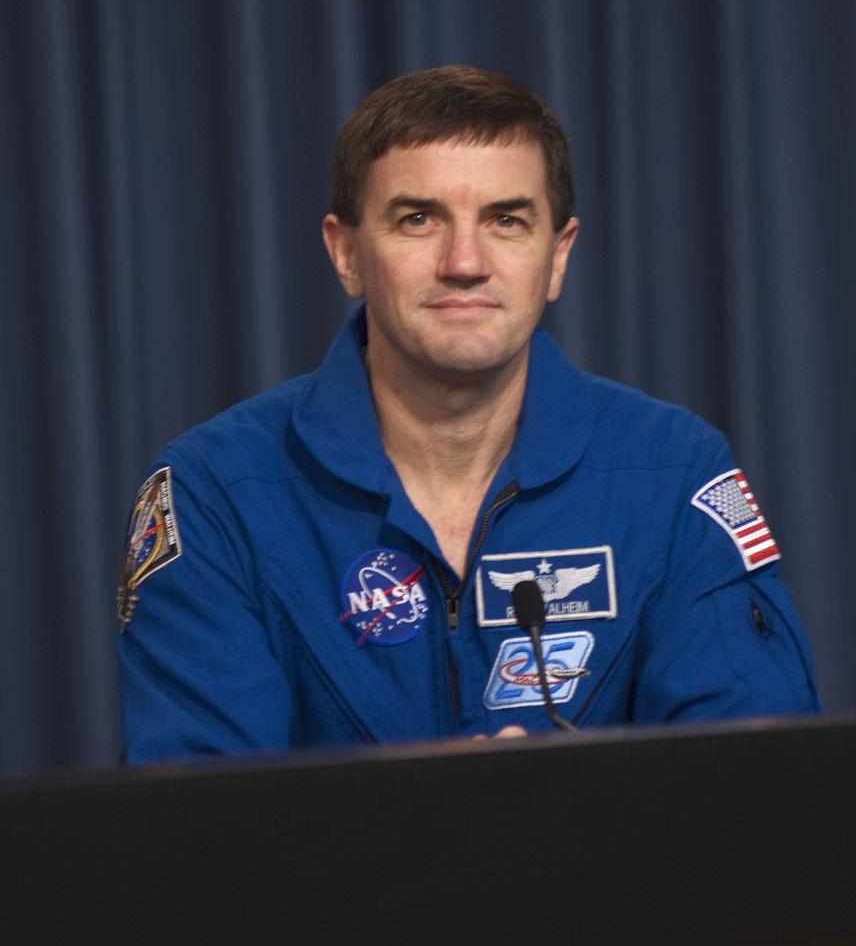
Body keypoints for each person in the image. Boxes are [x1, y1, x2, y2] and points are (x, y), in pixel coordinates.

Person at [116, 65, 819, 762]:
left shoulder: (671, 473)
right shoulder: (214, 492)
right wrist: (445, 825)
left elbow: (756, 790)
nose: (464, 261)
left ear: (557, 257)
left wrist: (563, 825)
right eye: (418, 219)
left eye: (506, 220)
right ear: (347, 253)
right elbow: (192, 831)